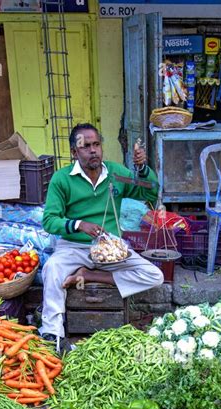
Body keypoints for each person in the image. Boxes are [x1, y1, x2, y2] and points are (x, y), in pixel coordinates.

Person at [40, 123, 164, 351]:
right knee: (52, 269)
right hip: (73, 247)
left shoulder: (117, 174)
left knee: (154, 275)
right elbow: (49, 221)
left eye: (96, 144)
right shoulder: (62, 179)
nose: (93, 150)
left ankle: (91, 275)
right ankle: (52, 335)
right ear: (74, 152)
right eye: (86, 146)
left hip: (110, 250)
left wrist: (142, 168)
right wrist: (78, 224)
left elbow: (150, 191)